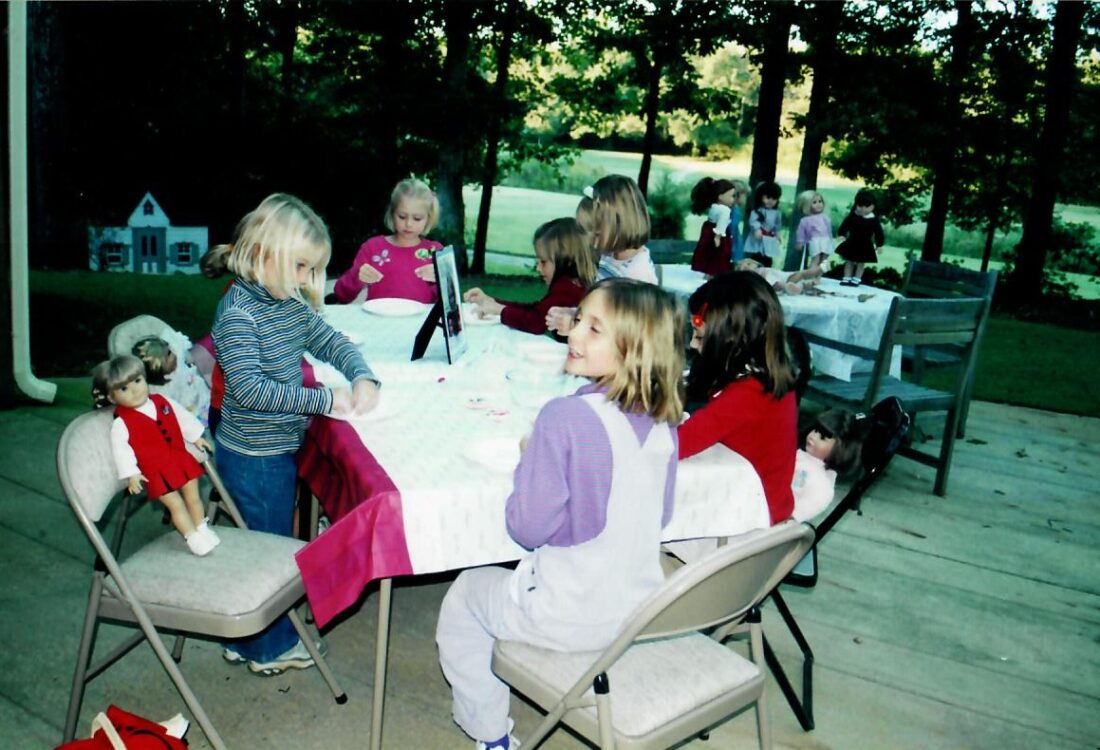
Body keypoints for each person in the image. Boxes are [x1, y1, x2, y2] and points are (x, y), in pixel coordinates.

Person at [436, 279, 684, 750]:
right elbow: (661, 513)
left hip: (565, 617)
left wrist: (532, 460)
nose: (573, 334)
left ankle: (490, 735)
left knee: (467, 593)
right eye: (579, 320)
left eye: (595, 329)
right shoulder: (665, 424)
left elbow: (526, 528)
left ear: (634, 349)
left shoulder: (562, 417)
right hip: (637, 615)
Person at [212, 193, 381, 675]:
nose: (308, 281)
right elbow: (250, 391)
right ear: (266, 254)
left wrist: (361, 374)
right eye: (302, 267)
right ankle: (268, 648)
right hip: (253, 454)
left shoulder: (283, 300)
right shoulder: (240, 313)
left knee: (268, 543)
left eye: (313, 270)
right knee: (270, 552)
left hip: (277, 446)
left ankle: (246, 639)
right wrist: (324, 400)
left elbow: (326, 338)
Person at [679, 271, 798, 525]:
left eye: (700, 337)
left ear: (732, 340)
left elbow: (677, 444)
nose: (691, 344)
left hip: (748, 520)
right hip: (746, 497)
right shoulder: (757, 378)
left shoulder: (749, 395)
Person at [92, 355, 218, 556]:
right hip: (156, 471)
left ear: (145, 378)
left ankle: (201, 528)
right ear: (111, 397)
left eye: (137, 381)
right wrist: (131, 473)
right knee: (176, 505)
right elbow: (121, 451)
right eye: (124, 389)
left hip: (180, 459)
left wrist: (196, 437)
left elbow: (183, 419)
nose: (134, 390)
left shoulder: (162, 401)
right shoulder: (121, 423)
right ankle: (192, 537)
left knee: (194, 497)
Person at [544, 175, 657, 336]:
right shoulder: (610, 257)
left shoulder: (637, 275)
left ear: (620, 225)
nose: (592, 243)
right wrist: (573, 313)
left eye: (597, 234)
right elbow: (602, 309)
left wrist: (576, 324)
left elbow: (623, 331)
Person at [463, 218, 596, 337]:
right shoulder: (570, 284)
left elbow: (536, 322)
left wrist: (499, 310)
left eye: (543, 262)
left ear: (566, 260)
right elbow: (536, 309)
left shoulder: (567, 289)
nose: (538, 268)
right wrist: (492, 301)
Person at [331, 178, 443, 304]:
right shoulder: (373, 248)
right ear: (391, 213)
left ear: (429, 218)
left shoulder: (434, 251)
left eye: (417, 218)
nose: (408, 224)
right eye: (402, 216)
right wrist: (357, 277)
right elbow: (341, 294)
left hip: (422, 322)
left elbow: (450, 302)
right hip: (378, 321)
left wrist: (440, 281)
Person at [792, 409, 869, 521]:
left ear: (841, 450)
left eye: (822, 437)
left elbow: (794, 518)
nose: (813, 436)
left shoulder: (822, 486)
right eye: (815, 430)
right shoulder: (801, 455)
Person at [132, 333, 212, 429]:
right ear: (156, 372)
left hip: (205, 391)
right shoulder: (160, 392)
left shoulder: (177, 358)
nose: (173, 355)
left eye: (169, 351)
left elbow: (178, 340)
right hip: (195, 411)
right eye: (168, 356)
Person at [836, 188, 885, 287]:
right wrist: (842, 234)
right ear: (856, 205)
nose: (863, 209)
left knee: (861, 262)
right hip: (852, 242)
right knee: (849, 260)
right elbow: (844, 226)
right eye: (860, 206)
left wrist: (879, 244)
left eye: (866, 206)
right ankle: (847, 277)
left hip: (865, 244)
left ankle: (856, 279)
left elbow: (878, 232)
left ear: (872, 206)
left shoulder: (873, 219)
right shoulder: (853, 216)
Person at [689, 176, 736, 277]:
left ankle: (707, 271)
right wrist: (718, 237)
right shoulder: (725, 210)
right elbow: (721, 224)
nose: (733, 199)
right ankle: (715, 272)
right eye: (732, 196)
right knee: (719, 255)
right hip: (718, 233)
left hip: (708, 230)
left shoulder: (713, 207)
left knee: (707, 253)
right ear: (721, 196)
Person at [744, 181, 783, 267]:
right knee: (756, 257)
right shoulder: (757, 211)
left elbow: (778, 225)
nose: (770, 201)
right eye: (768, 197)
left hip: (769, 238)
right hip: (758, 238)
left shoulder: (776, 213)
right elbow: (753, 221)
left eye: (774, 199)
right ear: (760, 197)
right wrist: (757, 229)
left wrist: (778, 234)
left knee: (768, 257)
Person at [794, 190, 834, 272]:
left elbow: (829, 231)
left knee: (824, 261)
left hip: (825, 240)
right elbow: (801, 233)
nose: (818, 204)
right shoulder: (805, 220)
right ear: (807, 205)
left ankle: (818, 276)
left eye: (820, 201)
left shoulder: (825, 218)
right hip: (815, 241)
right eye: (814, 202)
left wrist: (831, 240)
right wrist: (800, 242)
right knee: (815, 259)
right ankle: (810, 275)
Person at [735, 257, 822, 295]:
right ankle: (796, 288)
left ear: (755, 263)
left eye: (748, 264)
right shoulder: (754, 277)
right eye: (742, 268)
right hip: (779, 281)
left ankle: (820, 270)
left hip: (784, 277)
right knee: (801, 275)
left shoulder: (761, 269)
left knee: (802, 274)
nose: (746, 267)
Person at [728, 179, 750, 263]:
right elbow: (732, 227)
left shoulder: (734, 209)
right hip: (733, 241)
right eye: (744, 195)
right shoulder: (734, 210)